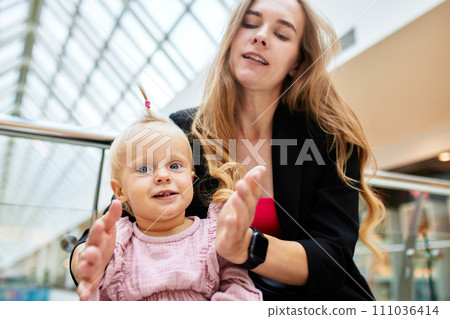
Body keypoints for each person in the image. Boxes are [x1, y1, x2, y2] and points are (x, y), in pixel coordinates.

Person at [71, 0, 385, 300]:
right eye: (250, 24)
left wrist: (246, 246)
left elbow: (332, 260)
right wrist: (86, 261)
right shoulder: (183, 132)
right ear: (232, 40)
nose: (260, 36)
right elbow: (109, 228)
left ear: (298, 63)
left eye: (281, 34)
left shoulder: (327, 139)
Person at [76, 97, 262, 301]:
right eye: (144, 169)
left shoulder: (214, 235)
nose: (163, 176)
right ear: (120, 191)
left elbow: (240, 288)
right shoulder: (117, 243)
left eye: (174, 166)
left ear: (191, 180)